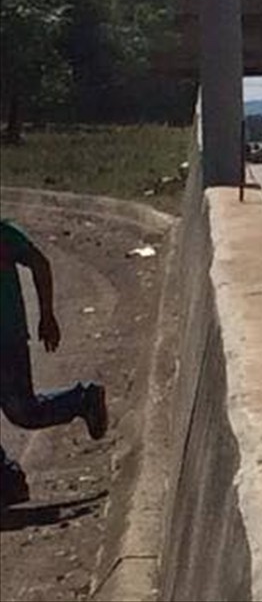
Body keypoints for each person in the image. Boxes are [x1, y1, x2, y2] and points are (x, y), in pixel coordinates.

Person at [0, 218, 107, 509]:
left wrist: (46, 315)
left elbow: (40, 264)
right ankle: (7, 480)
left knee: (24, 411)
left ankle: (83, 399)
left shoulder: (5, 235)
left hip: (7, 339)